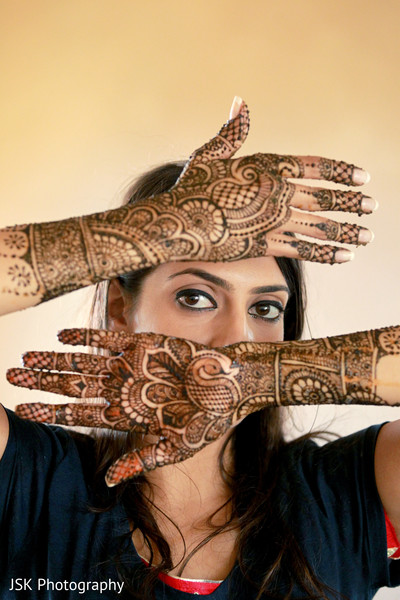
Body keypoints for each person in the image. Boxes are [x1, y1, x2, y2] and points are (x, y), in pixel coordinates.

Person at [1, 98, 400, 599]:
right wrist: (148, 230)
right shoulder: (30, 481)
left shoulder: (350, 491)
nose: (238, 338)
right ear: (121, 309)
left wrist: (266, 376)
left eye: (266, 309)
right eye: (197, 297)